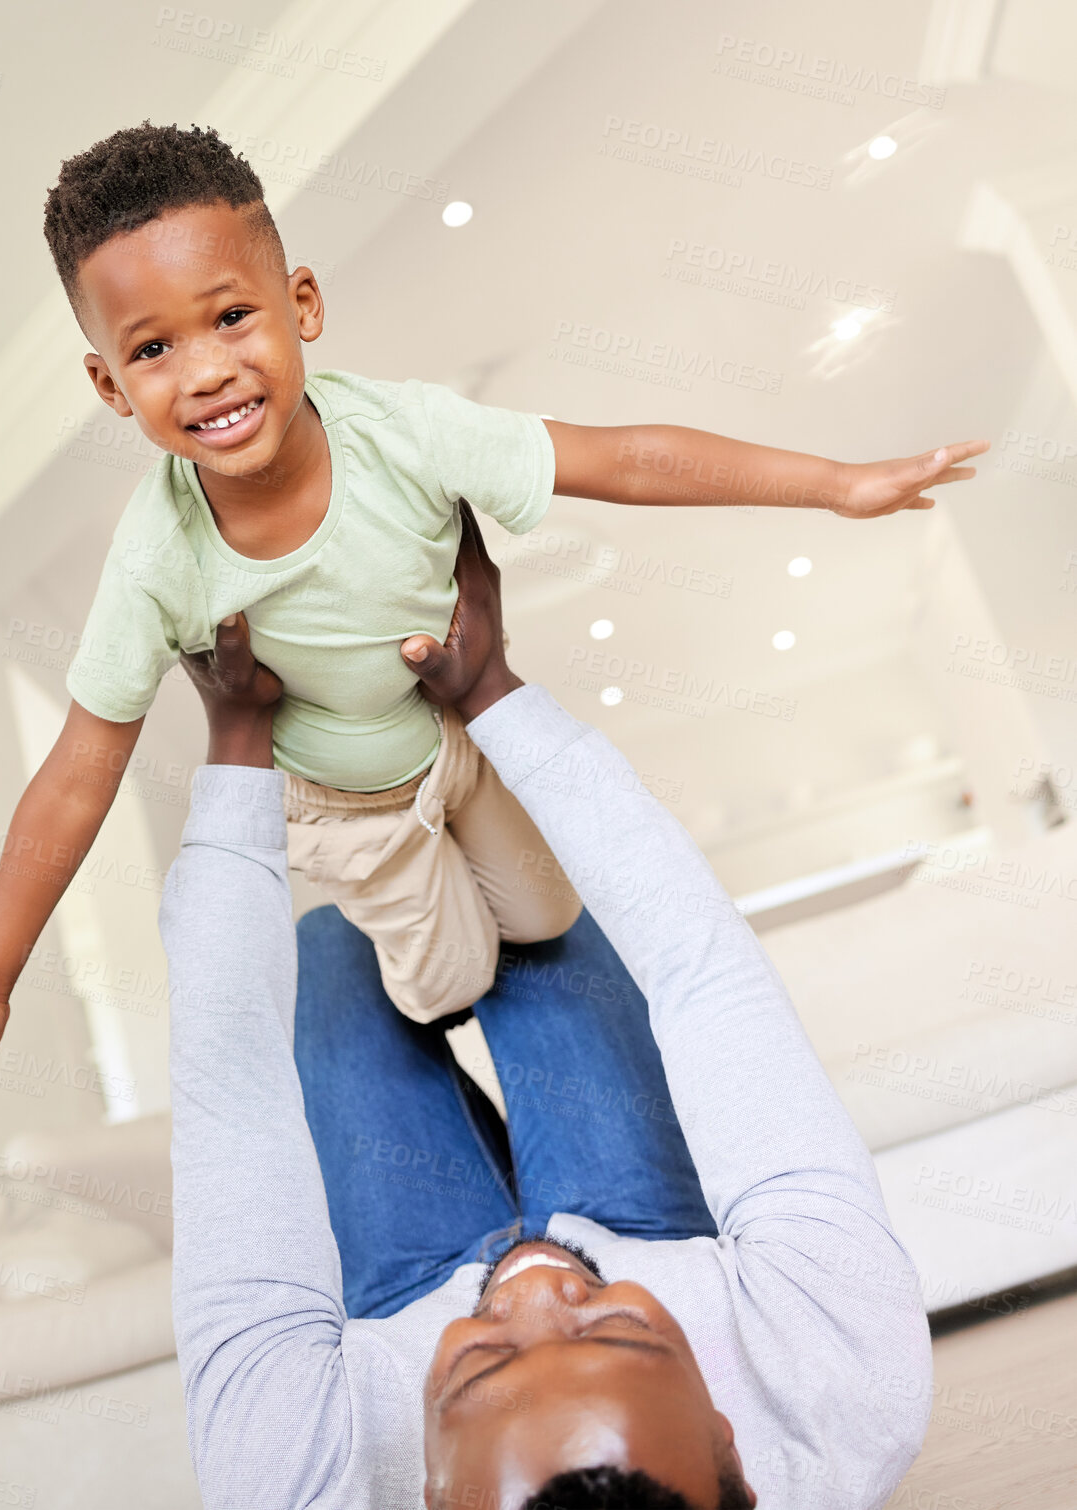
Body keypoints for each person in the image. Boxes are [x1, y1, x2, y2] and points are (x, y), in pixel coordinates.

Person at [0, 121, 987, 1148]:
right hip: (345, 811)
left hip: (450, 740)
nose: (208, 369)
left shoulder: (404, 432)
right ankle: (363, 943)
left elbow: (621, 457)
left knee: (549, 913)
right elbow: (78, 774)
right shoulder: (158, 557)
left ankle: (463, 874)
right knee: (451, 981)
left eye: (232, 317)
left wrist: (837, 484)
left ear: (301, 303)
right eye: (153, 348)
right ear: (110, 385)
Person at [161, 505, 933, 1509]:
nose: (530, 1285)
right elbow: (701, 971)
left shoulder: (292, 1480)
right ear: (733, 1444)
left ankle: (406, 854)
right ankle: (431, 823)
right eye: (612, 1328)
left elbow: (233, 1085)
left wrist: (239, 743)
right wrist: (492, 691)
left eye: (485, 1364)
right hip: (648, 1231)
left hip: (399, 1306)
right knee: (546, 937)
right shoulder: (845, 1391)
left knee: (323, 956)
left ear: (428, 1495)